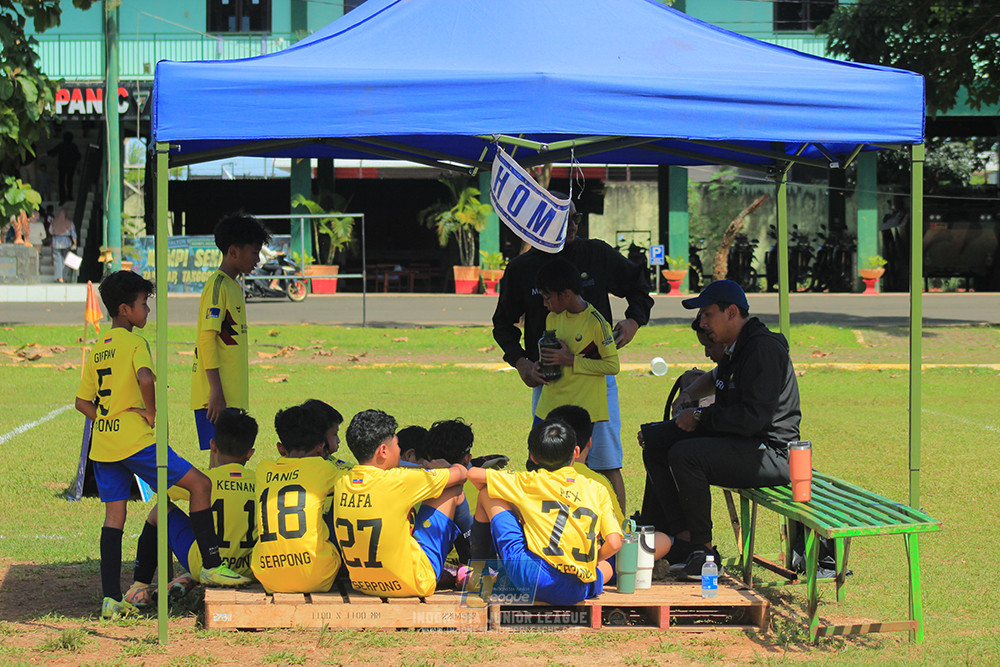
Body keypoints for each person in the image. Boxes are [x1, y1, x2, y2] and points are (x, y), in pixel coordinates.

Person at [74, 271, 250, 619]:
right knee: (200, 484)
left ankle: (111, 598)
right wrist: (150, 413)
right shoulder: (135, 343)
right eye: (143, 304)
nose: (148, 310)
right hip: (136, 442)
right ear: (124, 309)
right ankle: (211, 565)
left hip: (104, 445)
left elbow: (82, 403)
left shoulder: (97, 348)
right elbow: (145, 377)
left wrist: (106, 418)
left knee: (114, 518)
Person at [492, 193, 653, 512]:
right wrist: (522, 363)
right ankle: (542, 532)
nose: (572, 226)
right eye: (562, 219)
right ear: (538, 222)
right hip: (549, 383)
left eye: (575, 218)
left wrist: (634, 320)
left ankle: (617, 535)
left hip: (596, 385)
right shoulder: (522, 268)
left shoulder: (596, 254)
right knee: (543, 462)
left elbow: (639, 283)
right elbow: (503, 325)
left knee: (606, 463)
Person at [639, 280, 800, 580]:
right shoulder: (737, 347)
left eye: (707, 315)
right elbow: (715, 377)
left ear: (732, 312)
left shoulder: (763, 349)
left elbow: (752, 419)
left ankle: (705, 553)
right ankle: (682, 538)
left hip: (773, 454)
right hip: (742, 442)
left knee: (686, 455)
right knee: (654, 441)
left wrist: (700, 416)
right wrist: (688, 395)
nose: (702, 322)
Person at [467, 419, 623, 605]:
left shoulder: (528, 481)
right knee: (606, 568)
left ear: (533, 457)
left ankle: (479, 575)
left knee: (487, 493)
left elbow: (472, 474)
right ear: (576, 451)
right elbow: (614, 543)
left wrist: (516, 508)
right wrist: (595, 558)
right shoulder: (597, 489)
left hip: (535, 578)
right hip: (576, 589)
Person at [123, 410, 260, 607]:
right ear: (250, 453)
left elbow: (156, 486)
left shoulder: (203, 480)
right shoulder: (260, 481)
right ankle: (189, 577)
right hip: (247, 570)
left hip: (205, 563)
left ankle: (139, 588)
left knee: (160, 511)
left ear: (213, 445)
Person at [333, 409, 467, 598]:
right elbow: (460, 474)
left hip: (363, 583)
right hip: (412, 583)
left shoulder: (342, 480)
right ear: (383, 451)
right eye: (397, 445)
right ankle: (472, 564)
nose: (399, 450)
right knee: (452, 489)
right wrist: (447, 467)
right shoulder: (399, 481)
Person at [533, 256, 622, 509]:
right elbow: (553, 355)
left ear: (566, 294)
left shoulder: (596, 323)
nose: (545, 303)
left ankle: (615, 523)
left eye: (548, 298)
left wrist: (570, 360)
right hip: (549, 406)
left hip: (582, 411)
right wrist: (542, 366)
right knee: (537, 466)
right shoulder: (553, 318)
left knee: (586, 471)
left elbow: (612, 366)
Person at [191, 213, 271, 464]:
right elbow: (206, 339)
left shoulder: (233, 286)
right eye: (254, 252)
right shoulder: (218, 286)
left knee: (224, 463)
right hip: (216, 396)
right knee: (221, 462)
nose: (258, 259)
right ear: (233, 252)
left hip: (230, 396)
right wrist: (215, 391)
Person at [251, 403, 346, 593]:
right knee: (341, 506)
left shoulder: (263, 469)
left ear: (282, 447)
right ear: (320, 448)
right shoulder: (323, 469)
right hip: (318, 575)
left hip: (268, 578)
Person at [49, 131, 81, 204]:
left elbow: (53, 152)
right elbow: (78, 157)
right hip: (71, 166)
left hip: (62, 166)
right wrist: (78, 167)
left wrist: (44, 154)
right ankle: (69, 195)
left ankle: (62, 197)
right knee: (69, 181)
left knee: (61, 182)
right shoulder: (73, 146)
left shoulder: (61, 145)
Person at [50, 207, 77, 283]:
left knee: (57, 260)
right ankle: (64, 277)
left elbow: (50, 231)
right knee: (66, 260)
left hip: (56, 242)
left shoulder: (54, 222)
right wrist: (75, 243)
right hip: (66, 242)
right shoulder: (69, 222)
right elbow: (73, 234)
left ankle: (59, 277)